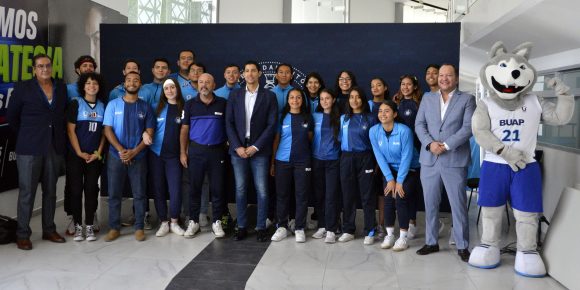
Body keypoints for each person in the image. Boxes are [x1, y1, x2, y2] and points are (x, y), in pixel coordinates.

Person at [414, 63, 475, 262]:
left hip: (454, 160)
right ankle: (431, 242)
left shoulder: (467, 99)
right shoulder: (427, 97)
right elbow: (419, 124)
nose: (443, 79)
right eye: (441, 75)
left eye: (448, 75)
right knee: (430, 204)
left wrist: (446, 145)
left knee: (458, 205)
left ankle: (462, 245)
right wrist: (430, 144)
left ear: (456, 78)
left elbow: (468, 128)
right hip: (429, 160)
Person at [8, 54, 68, 250]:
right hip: (29, 147)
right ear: (34, 69)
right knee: (27, 191)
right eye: (40, 66)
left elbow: (62, 114)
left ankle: (49, 229)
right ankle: (23, 234)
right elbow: (13, 118)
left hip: (54, 146)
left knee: (50, 191)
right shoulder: (23, 88)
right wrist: (29, 134)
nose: (45, 69)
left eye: (48, 65)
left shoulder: (60, 86)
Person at [225, 60, 278, 242]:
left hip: (259, 150)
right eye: (246, 71)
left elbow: (272, 125)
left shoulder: (269, 96)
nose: (250, 74)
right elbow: (228, 123)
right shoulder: (235, 95)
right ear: (243, 75)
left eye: (253, 71)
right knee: (240, 190)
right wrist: (238, 147)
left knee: (262, 190)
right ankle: (241, 227)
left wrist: (255, 147)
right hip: (238, 149)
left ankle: (261, 226)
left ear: (259, 73)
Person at [103, 72, 155, 242]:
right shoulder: (113, 104)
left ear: (140, 84)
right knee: (114, 194)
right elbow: (107, 130)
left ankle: (139, 227)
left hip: (138, 157)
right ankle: (114, 228)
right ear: (124, 83)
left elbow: (149, 132)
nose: (132, 83)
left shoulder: (146, 107)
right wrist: (121, 150)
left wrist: (134, 152)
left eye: (136, 80)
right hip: (115, 156)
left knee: (139, 194)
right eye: (129, 80)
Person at [180, 73, 227, 238]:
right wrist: (182, 152)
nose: (204, 85)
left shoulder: (223, 104)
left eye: (208, 82)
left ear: (214, 85)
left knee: (217, 189)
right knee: (194, 188)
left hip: (217, 151)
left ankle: (217, 222)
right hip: (196, 151)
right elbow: (184, 129)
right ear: (197, 85)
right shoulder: (190, 104)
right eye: (201, 82)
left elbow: (230, 127)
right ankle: (193, 221)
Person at [370, 100, 421, 252]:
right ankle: (390, 234)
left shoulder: (404, 131)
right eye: (380, 111)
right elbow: (379, 156)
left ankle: (403, 237)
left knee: (400, 195)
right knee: (387, 197)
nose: (383, 114)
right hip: (390, 170)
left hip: (410, 168)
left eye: (387, 111)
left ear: (395, 114)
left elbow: (407, 156)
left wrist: (399, 181)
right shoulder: (373, 131)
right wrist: (390, 179)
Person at [66, 72, 106, 242]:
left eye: (94, 83)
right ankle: (77, 226)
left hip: (94, 157)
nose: (91, 86)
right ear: (83, 86)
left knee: (91, 190)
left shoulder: (103, 106)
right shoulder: (76, 103)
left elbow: (105, 133)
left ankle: (89, 225)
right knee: (75, 190)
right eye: (88, 83)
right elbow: (70, 130)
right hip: (77, 155)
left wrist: (98, 152)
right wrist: (79, 152)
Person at [143, 78, 186, 238]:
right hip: (156, 154)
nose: (169, 90)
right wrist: (144, 133)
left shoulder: (184, 107)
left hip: (174, 156)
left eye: (172, 87)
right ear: (163, 91)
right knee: (159, 189)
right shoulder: (155, 107)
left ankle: (174, 221)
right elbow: (143, 125)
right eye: (166, 88)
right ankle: (163, 222)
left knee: (175, 190)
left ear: (177, 89)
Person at [270, 89, 313, 243]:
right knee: (282, 195)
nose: (295, 100)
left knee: (301, 195)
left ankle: (299, 227)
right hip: (283, 161)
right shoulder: (282, 117)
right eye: (292, 97)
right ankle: (281, 226)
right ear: (288, 100)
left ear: (303, 100)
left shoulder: (308, 118)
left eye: (298, 97)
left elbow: (310, 139)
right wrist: (273, 162)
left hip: (303, 162)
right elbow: (276, 140)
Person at [64, 55, 98, 236]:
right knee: (73, 185)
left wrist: (99, 151)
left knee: (93, 186)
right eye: (84, 65)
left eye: (91, 65)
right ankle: (73, 217)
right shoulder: (69, 90)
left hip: (94, 148)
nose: (87, 68)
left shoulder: (100, 93)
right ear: (77, 69)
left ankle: (92, 217)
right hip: (73, 145)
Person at [338, 87, 377, 245]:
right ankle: (348, 229)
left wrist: (375, 163)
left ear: (363, 99)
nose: (354, 100)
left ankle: (370, 230)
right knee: (348, 195)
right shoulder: (344, 118)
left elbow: (375, 143)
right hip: (346, 158)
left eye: (358, 97)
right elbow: (340, 139)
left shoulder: (371, 118)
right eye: (351, 97)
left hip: (365, 158)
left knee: (367, 196)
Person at [392, 74, 423, 239]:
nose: (405, 87)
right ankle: (401, 222)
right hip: (397, 152)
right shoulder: (396, 103)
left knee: (411, 189)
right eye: (403, 84)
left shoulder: (419, 104)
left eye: (409, 84)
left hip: (416, 151)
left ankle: (412, 222)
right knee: (400, 190)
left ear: (415, 87)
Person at [311, 89, 341, 243]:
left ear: (333, 99)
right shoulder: (315, 116)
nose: (324, 101)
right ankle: (322, 225)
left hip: (333, 161)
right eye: (322, 99)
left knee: (331, 195)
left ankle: (331, 228)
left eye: (327, 98)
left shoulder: (340, 118)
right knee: (320, 194)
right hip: (316, 160)